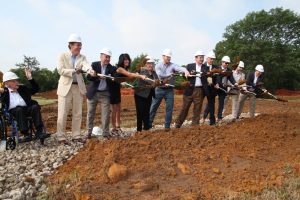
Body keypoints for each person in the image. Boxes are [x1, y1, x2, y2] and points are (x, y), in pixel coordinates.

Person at [56, 34, 90, 144]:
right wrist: (74, 71)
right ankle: (61, 137)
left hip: (78, 87)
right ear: (70, 45)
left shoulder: (82, 57)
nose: (79, 47)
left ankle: (76, 135)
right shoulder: (62, 56)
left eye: (80, 45)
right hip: (65, 87)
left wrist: (90, 70)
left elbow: (86, 65)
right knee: (62, 113)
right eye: (77, 45)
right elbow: (60, 70)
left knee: (78, 113)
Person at [0, 69, 50, 144]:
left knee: (35, 107)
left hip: (26, 108)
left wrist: (30, 78)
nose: (17, 82)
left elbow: (35, 89)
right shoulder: (4, 91)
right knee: (19, 109)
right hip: (13, 111)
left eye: (17, 80)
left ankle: (40, 132)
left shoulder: (22, 88)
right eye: (14, 81)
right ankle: (25, 134)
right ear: (7, 83)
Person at [149, 49, 190, 131]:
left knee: (169, 108)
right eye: (167, 57)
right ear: (163, 56)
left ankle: (167, 126)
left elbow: (179, 68)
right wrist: (171, 74)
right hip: (159, 89)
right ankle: (148, 124)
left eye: (169, 57)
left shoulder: (172, 65)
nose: (168, 58)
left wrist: (185, 71)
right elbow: (160, 75)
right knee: (153, 106)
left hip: (169, 90)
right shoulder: (158, 66)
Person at [110, 53, 146, 136]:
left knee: (118, 108)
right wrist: (140, 76)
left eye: (128, 59)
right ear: (121, 61)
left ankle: (118, 127)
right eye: (125, 59)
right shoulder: (119, 68)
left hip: (117, 88)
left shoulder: (125, 69)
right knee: (114, 109)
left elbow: (129, 78)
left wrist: (137, 74)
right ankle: (114, 128)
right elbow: (129, 75)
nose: (127, 61)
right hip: (112, 89)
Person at [86, 48, 115, 139]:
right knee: (90, 113)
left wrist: (110, 78)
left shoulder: (111, 68)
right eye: (106, 57)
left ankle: (106, 133)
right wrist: (97, 77)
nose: (108, 59)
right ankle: (88, 133)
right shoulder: (94, 65)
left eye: (109, 57)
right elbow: (88, 77)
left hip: (105, 94)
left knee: (106, 114)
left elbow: (113, 79)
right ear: (101, 56)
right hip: (93, 93)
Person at [175, 50, 207, 128]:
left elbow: (207, 77)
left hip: (199, 90)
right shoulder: (189, 66)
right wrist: (187, 75)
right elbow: (183, 75)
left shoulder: (205, 67)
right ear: (195, 58)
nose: (202, 59)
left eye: (202, 58)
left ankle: (195, 125)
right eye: (200, 57)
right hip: (189, 89)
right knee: (185, 108)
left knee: (197, 109)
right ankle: (178, 124)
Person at [134, 58, 158, 132]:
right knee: (140, 112)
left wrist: (157, 83)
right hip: (139, 95)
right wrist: (138, 75)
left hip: (148, 95)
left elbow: (156, 82)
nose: (150, 65)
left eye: (152, 63)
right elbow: (134, 74)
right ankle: (139, 130)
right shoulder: (141, 70)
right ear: (146, 64)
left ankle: (146, 129)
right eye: (148, 63)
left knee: (147, 112)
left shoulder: (154, 73)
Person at [215, 56, 237, 121]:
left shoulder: (229, 70)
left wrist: (235, 83)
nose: (227, 64)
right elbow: (214, 78)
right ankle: (205, 117)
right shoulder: (217, 68)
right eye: (225, 63)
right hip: (216, 87)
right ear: (222, 62)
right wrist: (215, 84)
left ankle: (219, 117)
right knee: (211, 103)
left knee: (221, 103)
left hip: (223, 88)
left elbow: (231, 78)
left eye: (228, 63)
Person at [201, 51, 219, 125]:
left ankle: (212, 121)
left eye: (213, 59)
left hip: (212, 89)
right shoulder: (202, 66)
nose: (212, 60)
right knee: (198, 104)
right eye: (211, 59)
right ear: (207, 58)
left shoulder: (216, 67)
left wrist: (217, 83)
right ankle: (197, 120)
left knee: (211, 105)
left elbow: (218, 76)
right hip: (202, 88)